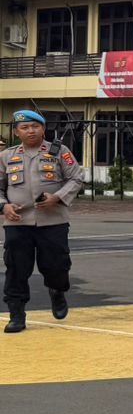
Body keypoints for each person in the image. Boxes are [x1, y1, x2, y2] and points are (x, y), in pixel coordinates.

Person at [3, 110, 84, 332]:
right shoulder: (6, 156)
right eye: (25, 127)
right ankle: (16, 314)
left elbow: (76, 177)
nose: (31, 131)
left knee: (56, 266)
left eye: (35, 126)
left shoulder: (59, 151)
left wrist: (57, 197)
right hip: (18, 222)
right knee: (16, 269)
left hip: (53, 221)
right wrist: (4, 206)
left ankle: (57, 291)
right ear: (16, 132)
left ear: (43, 128)